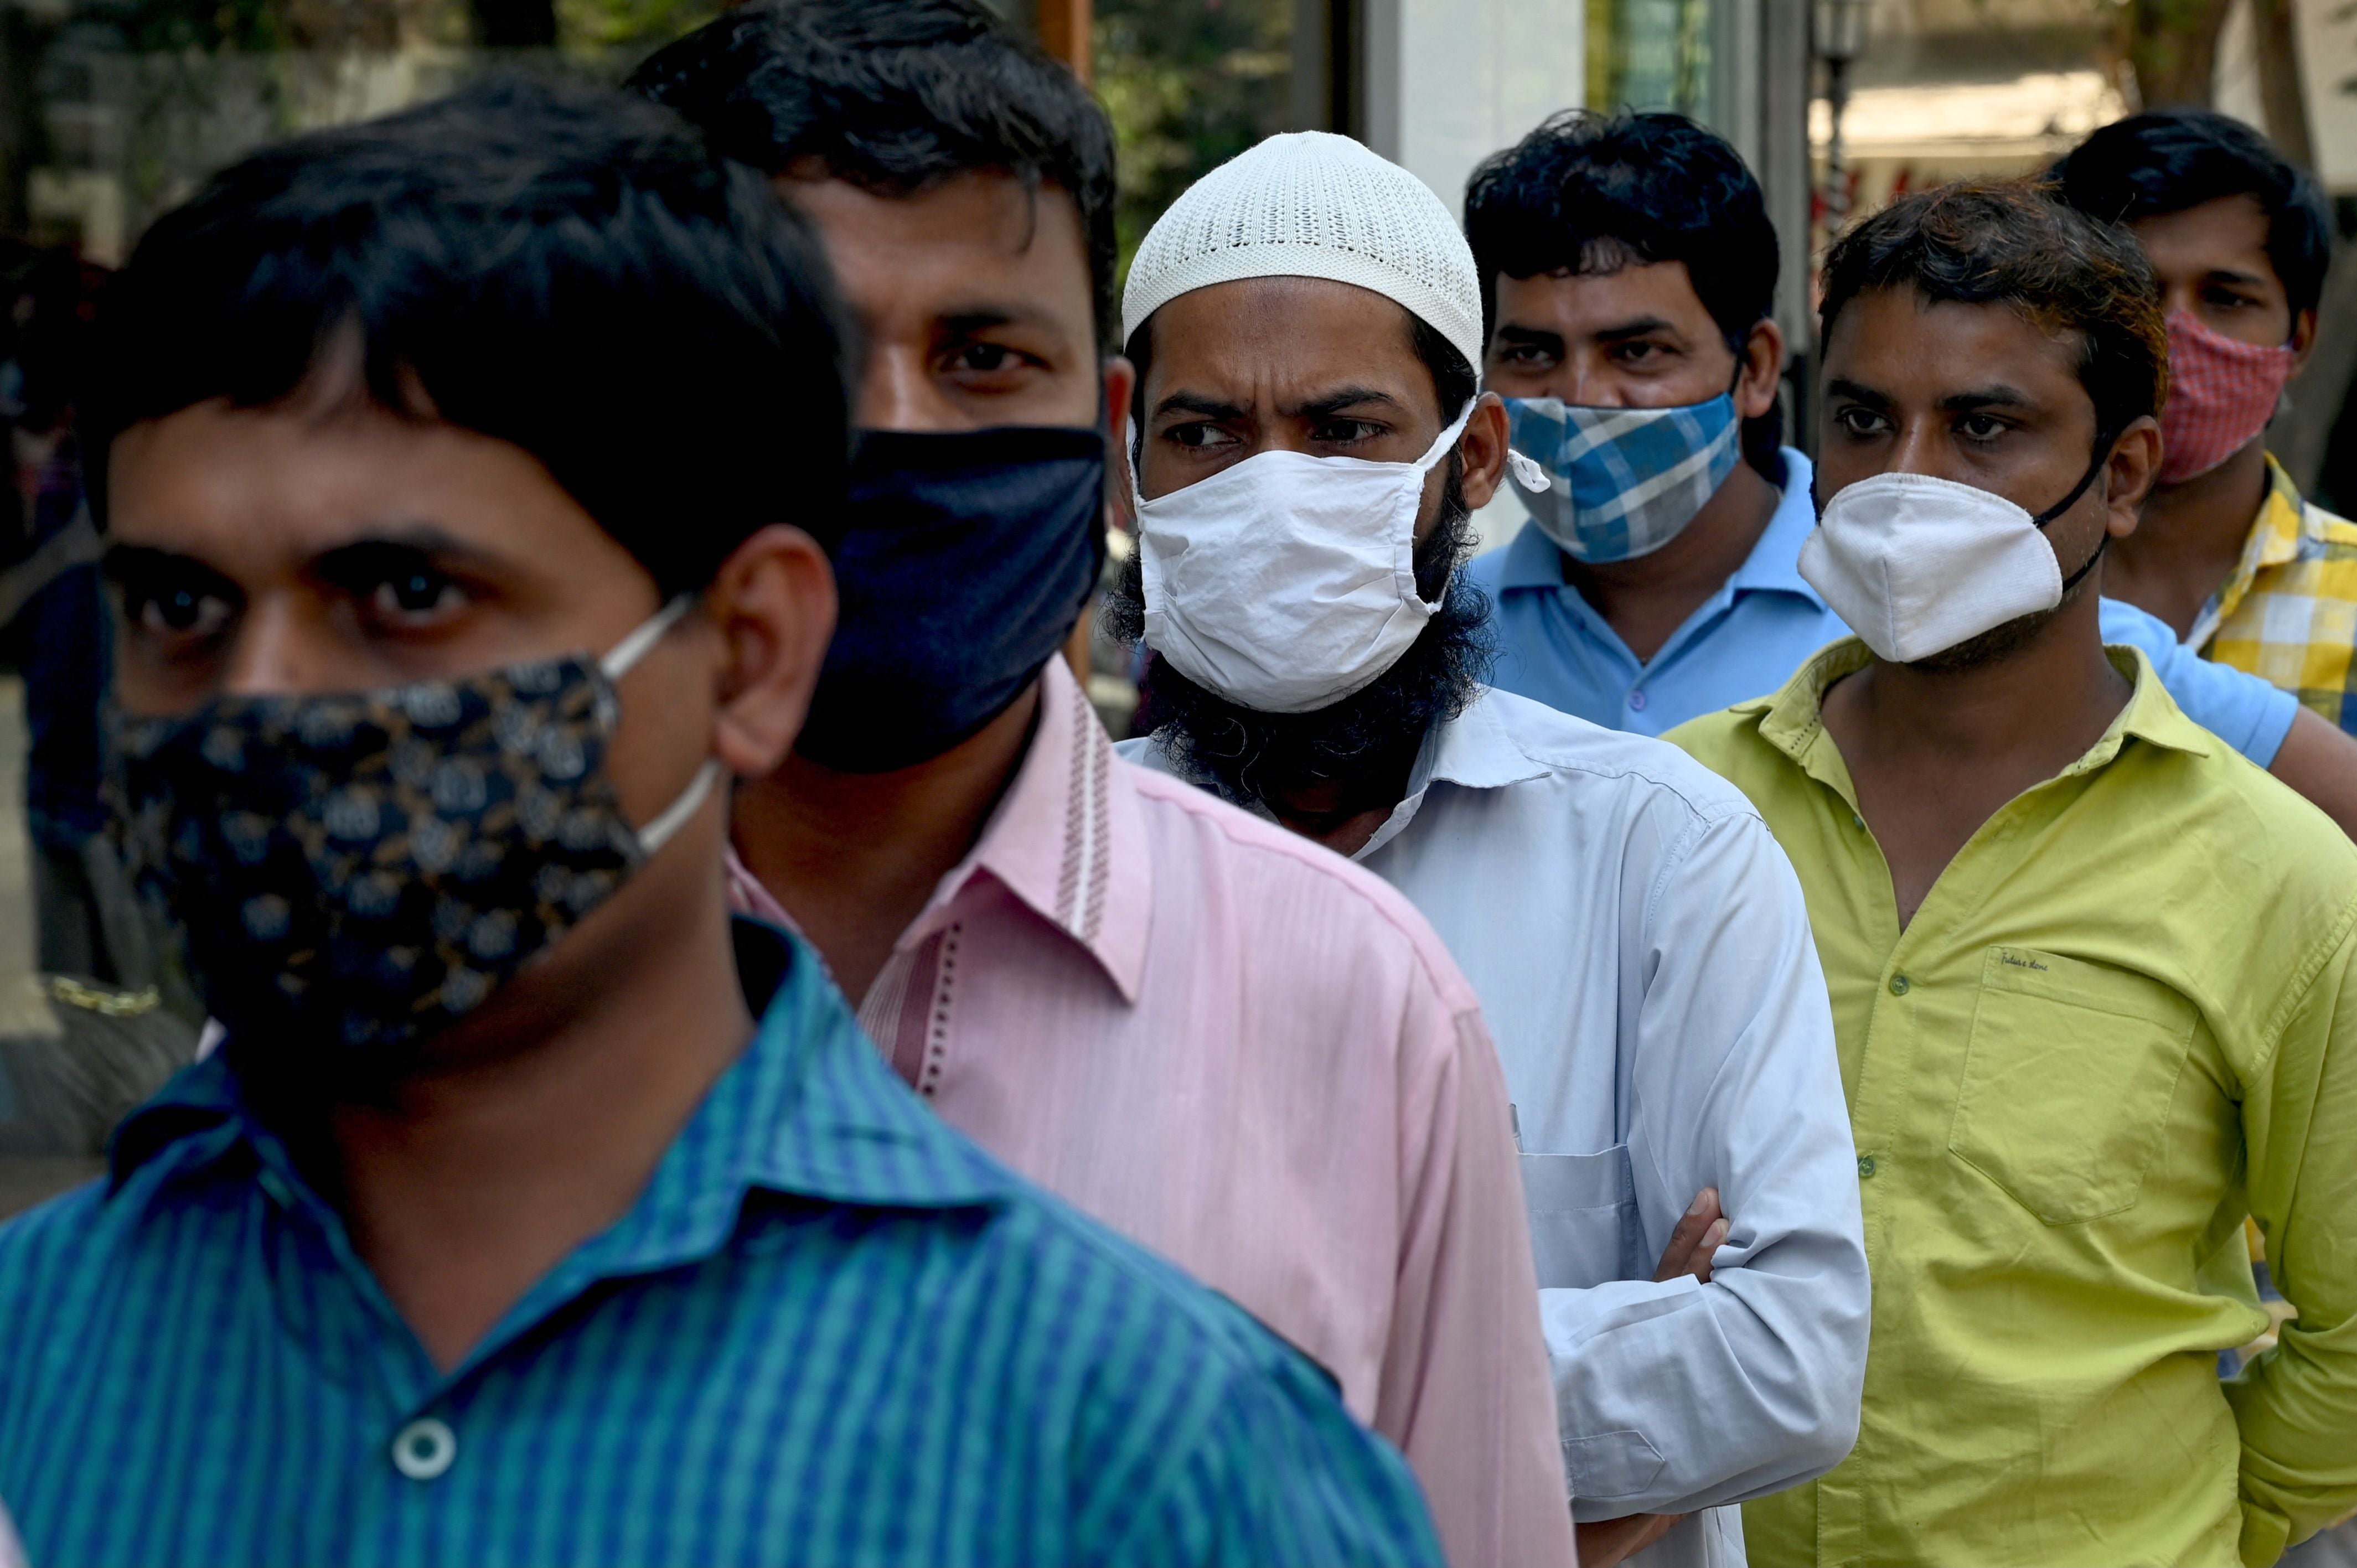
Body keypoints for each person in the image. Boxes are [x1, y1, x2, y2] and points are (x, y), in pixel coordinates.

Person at [0, 79, 1445, 1567]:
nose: (265, 703)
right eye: (182, 606)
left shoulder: (1150, 1454)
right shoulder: (32, 1361)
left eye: (408, 596)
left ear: (749, 652)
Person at [629, 9, 1573, 1565]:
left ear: (1108, 436)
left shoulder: (1363, 1003)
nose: (896, 430)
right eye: (795, 351)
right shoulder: (417, 993)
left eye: (984, 357)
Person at [1105, 128, 1870, 1568]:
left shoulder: (1660, 852)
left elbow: (1785, 1361)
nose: (1273, 491)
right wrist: (1554, 1414)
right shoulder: (1059, 874)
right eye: (1205, 433)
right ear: (1127, 461)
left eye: (1344, 431)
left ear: (1474, 463)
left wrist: (1186, 1378)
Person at [1669, 180, 2357, 1567]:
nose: (1907, 477)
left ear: (2119, 470)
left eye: (1984, 428)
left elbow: (2348, 1337)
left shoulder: (2277, 875)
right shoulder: (1680, 810)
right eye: (1864, 419)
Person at [1465, 111, 2357, 836]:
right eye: (1531, 352)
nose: (1582, 397)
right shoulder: (1438, 628)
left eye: (1637, 350)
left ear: (1758, 370)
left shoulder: (1965, 601)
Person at [2054, 109, 2357, 733]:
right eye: (2133, 295)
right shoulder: (1995, 594)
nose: (2171, 338)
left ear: (2297, 341)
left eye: (2226, 298)